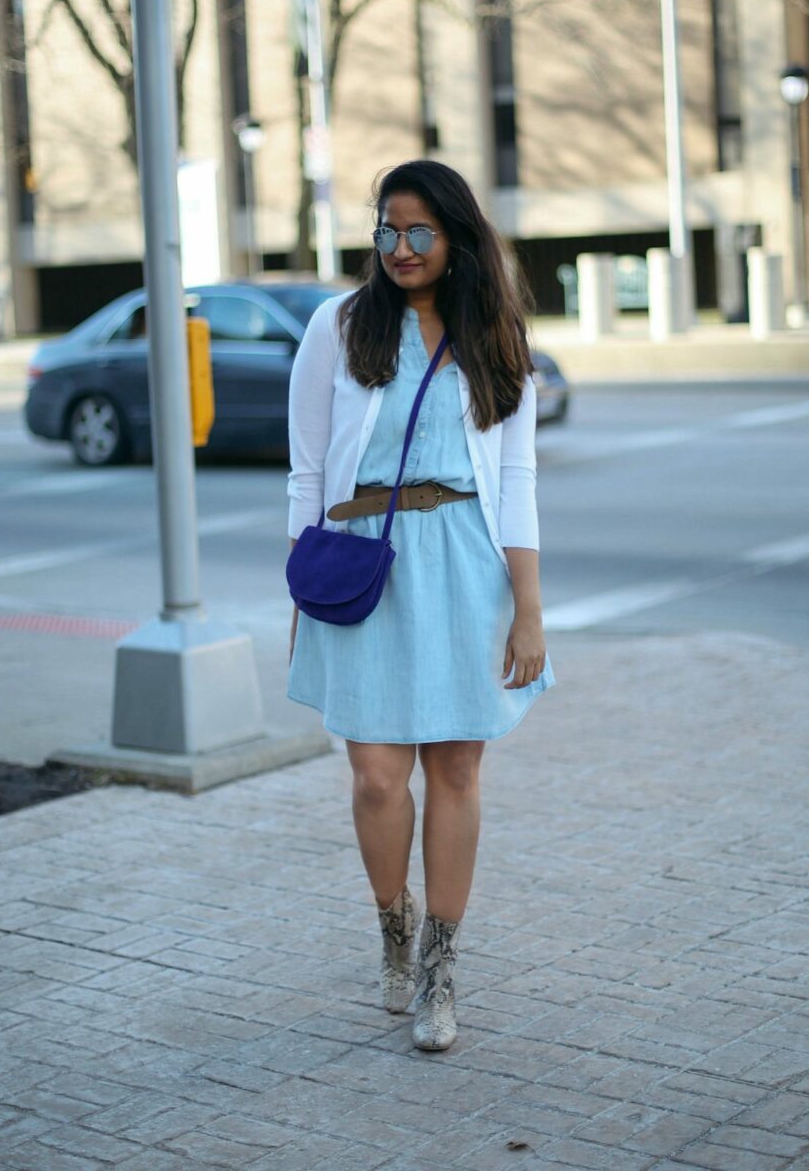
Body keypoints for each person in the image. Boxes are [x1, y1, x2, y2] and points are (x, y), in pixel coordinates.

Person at [286, 159, 555, 1053]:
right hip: (364, 560)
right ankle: (391, 923)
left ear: (456, 236)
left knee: (455, 774)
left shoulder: (495, 335)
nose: (400, 248)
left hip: (464, 563)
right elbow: (307, 467)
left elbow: (514, 481)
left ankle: (441, 968)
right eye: (387, 231)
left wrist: (528, 607)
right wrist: (300, 581)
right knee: (373, 776)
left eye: (419, 232)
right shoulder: (339, 326)